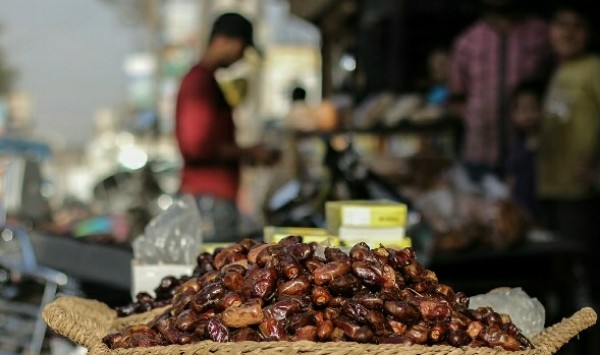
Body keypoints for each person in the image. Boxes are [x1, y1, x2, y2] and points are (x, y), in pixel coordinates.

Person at [175, 12, 280, 243]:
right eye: (241, 47)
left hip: (213, 198)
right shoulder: (199, 83)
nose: (241, 56)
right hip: (208, 199)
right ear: (223, 41)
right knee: (214, 273)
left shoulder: (207, 80)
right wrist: (249, 152)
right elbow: (196, 146)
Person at [536, 1, 600, 305]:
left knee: (584, 271)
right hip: (549, 186)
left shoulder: (594, 68)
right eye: (561, 24)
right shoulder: (555, 70)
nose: (568, 32)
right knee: (559, 271)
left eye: (577, 26)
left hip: (580, 189)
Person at [448, 0, 553, 183]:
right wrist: (474, 119)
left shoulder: (543, 35)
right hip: (479, 156)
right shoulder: (468, 40)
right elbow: (457, 96)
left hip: (533, 156)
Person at [504, 79, 545, 223]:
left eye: (533, 109)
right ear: (513, 114)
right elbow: (511, 177)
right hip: (521, 207)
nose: (527, 115)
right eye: (522, 110)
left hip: (543, 207)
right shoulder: (517, 146)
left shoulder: (547, 144)